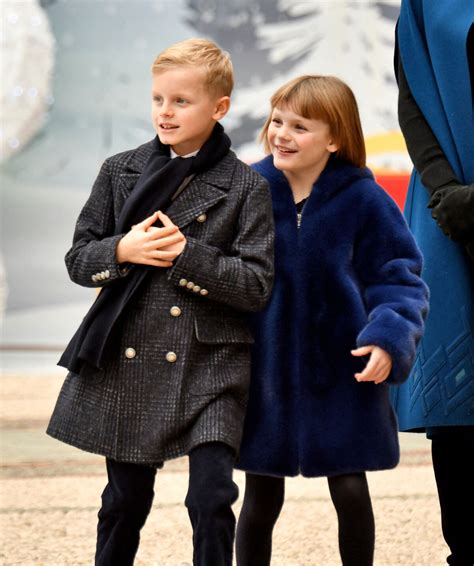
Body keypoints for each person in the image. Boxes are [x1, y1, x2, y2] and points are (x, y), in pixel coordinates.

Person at [47, 38, 274, 566]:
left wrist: (186, 256)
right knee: (125, 501)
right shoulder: (118, 170)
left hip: (210, 364)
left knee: (212, 498)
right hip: (132, 357)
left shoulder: (246, 187)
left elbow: (257, 286)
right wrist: (122, 249)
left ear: (219, 108)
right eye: (157, 100)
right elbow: (79, 259)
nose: (165, 113)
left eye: (181, 101)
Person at [235, 75, 429, 566]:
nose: (281, 133)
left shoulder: (365, 201)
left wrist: (388, 338)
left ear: (335, 138)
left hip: (345, 372)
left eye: (300, 126)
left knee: (349, 488)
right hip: (264, 375)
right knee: (259, 497)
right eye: (277, 120)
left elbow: (399, 279)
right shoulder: (249, 192)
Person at [391, 2, 474, 565]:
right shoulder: (423, 1)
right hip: (450, 212)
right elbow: (413, 99)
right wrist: (447, 194)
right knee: (458, 400)